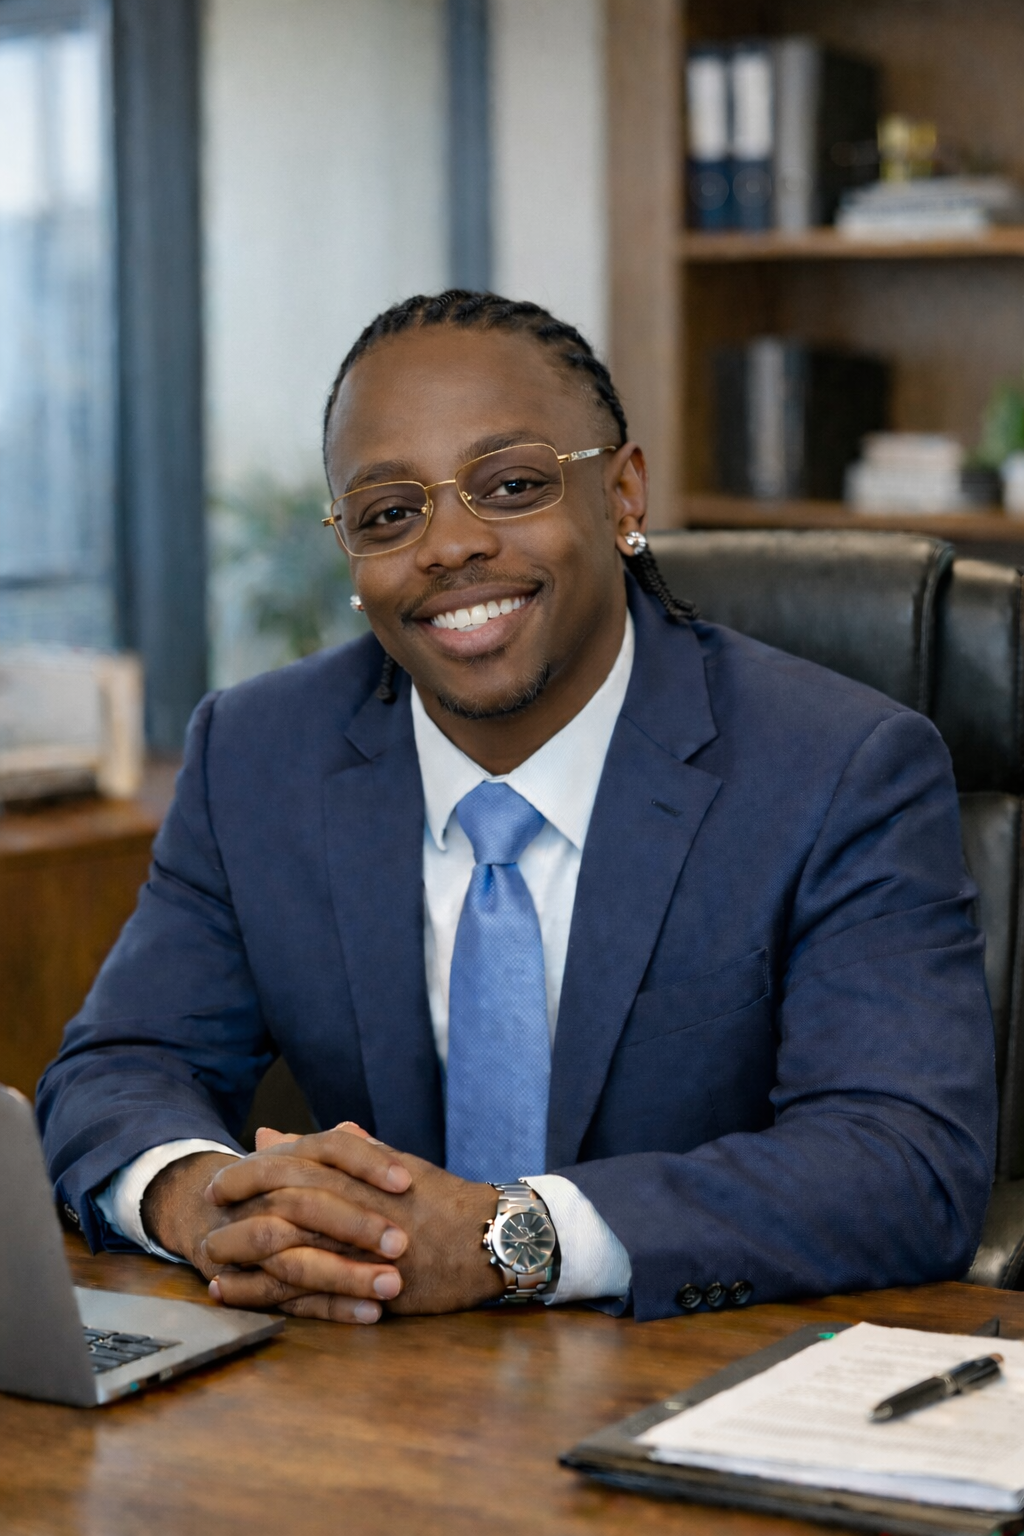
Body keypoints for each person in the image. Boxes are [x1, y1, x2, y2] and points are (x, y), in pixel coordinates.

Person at [38, 291, 996, 1326]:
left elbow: (904, 1162)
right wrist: (206, 1203)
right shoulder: (258, 756)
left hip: (691, 1378)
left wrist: (511, 1240)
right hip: (359, 1395)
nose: (448, 545)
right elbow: (122, 1064)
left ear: (624, 496)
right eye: (389, 513)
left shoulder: (838, 766)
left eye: (511, 485)